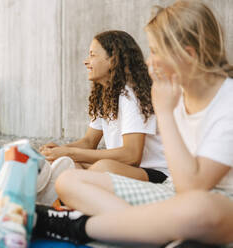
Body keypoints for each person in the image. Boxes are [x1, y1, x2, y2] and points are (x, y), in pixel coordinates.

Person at [33, 0, 233, 246]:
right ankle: (156, 235)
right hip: (171, 194)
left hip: (213, 203)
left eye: (157, 52)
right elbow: (176, 188)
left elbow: (191, 188)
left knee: (200, 208)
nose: (149, 62)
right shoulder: (178, 95)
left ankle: (77, 225)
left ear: (187, 55)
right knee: (69, 181)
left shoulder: (226, 102)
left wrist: (166, 114)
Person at [40, 30, 168, 183]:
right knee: (67, 163)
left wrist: (70, 153)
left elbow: (132, 155)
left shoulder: (131, 95)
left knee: (102, 167)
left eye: (92, 55)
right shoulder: (107, 94)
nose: (86, 61)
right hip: (124, 169)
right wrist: (58, 152)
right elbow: (88, 142)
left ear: (113, 60)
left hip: (155, 174)